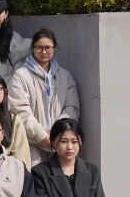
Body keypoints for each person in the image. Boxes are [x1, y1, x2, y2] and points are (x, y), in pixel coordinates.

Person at [8, 29, 80, 166]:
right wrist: (42, 137)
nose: (44, 51)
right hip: (31, 144)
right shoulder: (20, 75)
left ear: (54, 48)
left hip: (59, 144)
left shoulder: (65, 76)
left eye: (48, 47)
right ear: (33, 48)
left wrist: (58, 133)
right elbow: (19, 109)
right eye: (39, 47)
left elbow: (72, 107)